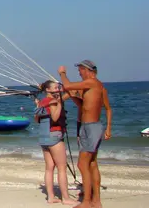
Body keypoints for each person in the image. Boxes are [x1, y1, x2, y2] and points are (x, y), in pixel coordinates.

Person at [58, 60, 110, 208]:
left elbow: (68, 85)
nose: (79, 73)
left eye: (80, 70)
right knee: (92, 163)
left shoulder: (92, 82)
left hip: (91, 127)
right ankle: (96, 201)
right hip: (88, 127)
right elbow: (80, 103)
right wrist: (67, 95)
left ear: (86, 70)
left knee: (82, 164)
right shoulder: (91, 86)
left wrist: (62, 73)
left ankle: (87, 202)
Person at [33, 81, 77, 205]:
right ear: (48, 90)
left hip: (43, 138)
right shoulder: (53, 101)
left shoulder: (42, 102)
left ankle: (51, 197)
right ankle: (66, 198)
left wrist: (65, 94)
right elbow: (55, 117)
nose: (58, 89)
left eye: (58, 87)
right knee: (61, 167)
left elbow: (37, 120)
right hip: (54, 136)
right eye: (56, 88)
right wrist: (58, 103)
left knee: (49, 168)